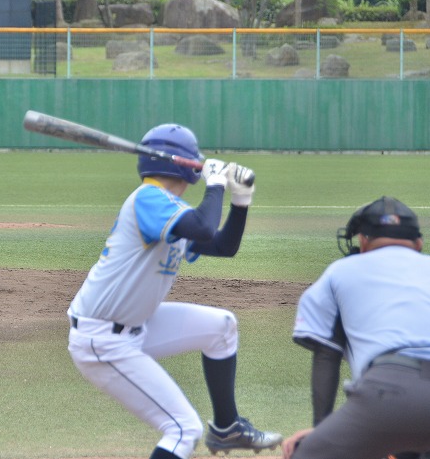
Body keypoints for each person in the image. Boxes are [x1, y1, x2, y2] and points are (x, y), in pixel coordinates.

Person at [66, 123, 282, 459]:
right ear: (184, 164)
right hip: (102, 339)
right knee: (183, 429)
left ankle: (227, 428)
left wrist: (241, 200)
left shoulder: (170, 210)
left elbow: (222, 245)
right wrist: (215, 183)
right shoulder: (149, 198)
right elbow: (204, 226)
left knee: (221, 327)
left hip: (135, 325)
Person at [283, 196, 430, 459]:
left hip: (387, 393)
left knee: (306, 454)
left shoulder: (339, 272)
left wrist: (320, 429)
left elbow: (327, 354)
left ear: (363, 241)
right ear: (418, 243)